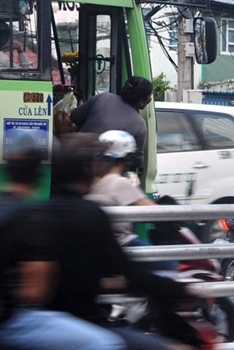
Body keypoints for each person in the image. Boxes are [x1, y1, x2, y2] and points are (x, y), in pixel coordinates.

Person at [20, 133, 198, 349]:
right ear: (87, 168)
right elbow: (130, 272)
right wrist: (180, 290)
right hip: (83, 326)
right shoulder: (91, 213)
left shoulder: (39, 213)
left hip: (46, 324)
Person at [0, 130, 127, 349]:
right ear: (38, 173)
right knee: (105, 343)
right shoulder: (29, 215)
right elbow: (36, 292)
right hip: (6, 320)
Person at [86, 130, 177, 270]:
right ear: (126, 157)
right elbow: (155, 212)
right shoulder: (119, 183)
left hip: (102, 248)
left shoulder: (93, 183)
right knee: (170, 264)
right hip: (125, 244)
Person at [70, 76, 153, 170]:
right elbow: (136, 161)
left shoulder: (102, 97)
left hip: (73, 162)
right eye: (150, 95)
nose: (151, 98)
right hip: (101, 174)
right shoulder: (139, 125)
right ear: (142, 101)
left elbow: (74, 117)